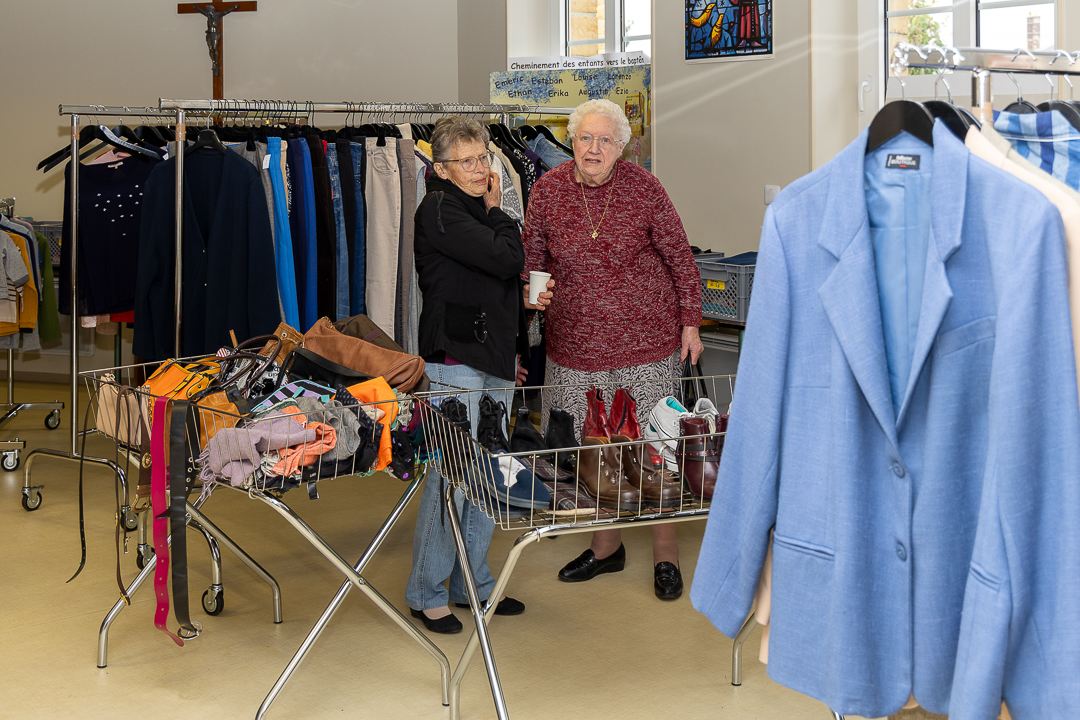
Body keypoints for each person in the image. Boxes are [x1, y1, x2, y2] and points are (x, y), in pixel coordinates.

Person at [521, 98, 703, 600]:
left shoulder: (644, 188)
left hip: (646, 344)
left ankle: (665, 553)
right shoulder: (548, 190)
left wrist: (690, 322)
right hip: (573, 345)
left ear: (622, 147)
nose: (594, 148)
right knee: (593, 451)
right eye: (585, 138)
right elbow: (532, 259)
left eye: (605, 140)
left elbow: (680, 258)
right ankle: (606, 547)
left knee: (656, 450)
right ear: (571, 141)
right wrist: (531, 298)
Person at [405, 116, 529, 633]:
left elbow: (493, 282)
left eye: (485, 158)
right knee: (451, 475)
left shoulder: (474, 207)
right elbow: (506, 257)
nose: (481, 169)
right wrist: (500, 212)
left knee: (485, 473)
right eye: (468, 161)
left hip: (492, 357)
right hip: (455, 360)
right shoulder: (439, 208)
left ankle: (471, 583)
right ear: (441, 169)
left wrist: (513, 347)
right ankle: (426, 591)